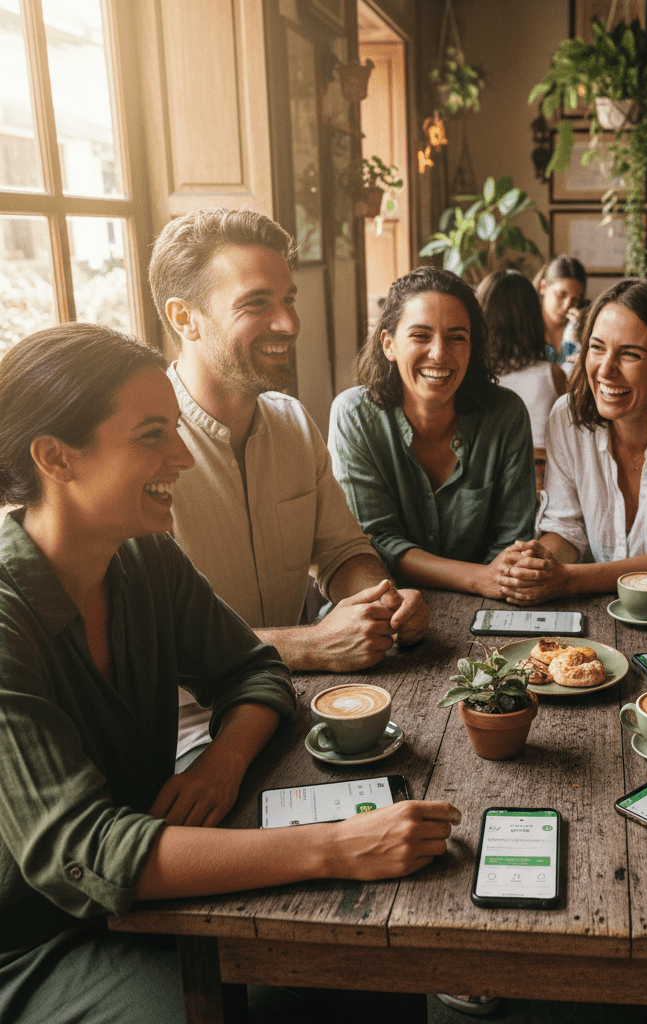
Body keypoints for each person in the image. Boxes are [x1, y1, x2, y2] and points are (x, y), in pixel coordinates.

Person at [0, 324, 460, 1024]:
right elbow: (82, 851)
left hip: (157, 882)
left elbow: (253, 672)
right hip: (37, 942)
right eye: (153, 435)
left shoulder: (145, 559)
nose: (182, 456)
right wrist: (334, 846)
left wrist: (221, 761)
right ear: (56, 458)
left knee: (375, 967)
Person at [148, 208, 428, 762]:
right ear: (185, 316)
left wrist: (378, 602)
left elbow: (342, 550)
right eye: (257, 304)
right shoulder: (143, 448)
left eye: (289, 299)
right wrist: (315, 644)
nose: (289, 324)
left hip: (299, 701)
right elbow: (155, 645)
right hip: (182, 734)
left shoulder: (294, 422)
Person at [500, 277, 647, 605]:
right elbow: (566, 529)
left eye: (630, 354)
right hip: (591, 610)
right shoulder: (566, 417)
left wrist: (568, 579)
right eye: (597, 348)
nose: (606, 370)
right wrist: (542, 564)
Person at [328, 267, 536, 599]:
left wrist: (490, 579)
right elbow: (375, 540)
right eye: (420, 335)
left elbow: (513, 540)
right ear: (388, 345)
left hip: (490, 604)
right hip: (389, 606)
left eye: (456, 337)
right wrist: (477, 578)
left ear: (472, 348)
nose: (439, 353)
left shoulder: (506, 414)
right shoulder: (354, 416)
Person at [477, 268, 568, 495]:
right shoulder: (553, 375)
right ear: (533, 318)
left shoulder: (473, 375)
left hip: (486, 484)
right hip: (542, 487)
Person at [533, 255, 587, 367]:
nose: (568, 305)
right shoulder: (526, 329)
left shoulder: (576, 330)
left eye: (575, 299)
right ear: (543, 287)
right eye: (561, 295)